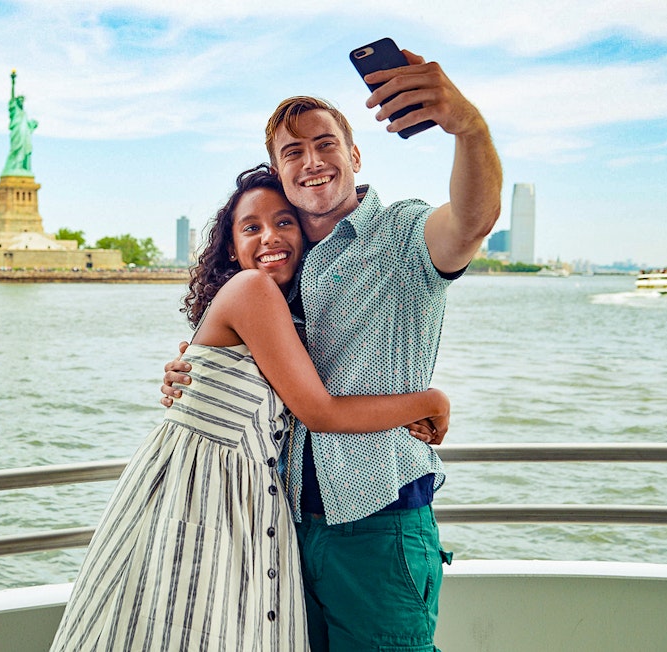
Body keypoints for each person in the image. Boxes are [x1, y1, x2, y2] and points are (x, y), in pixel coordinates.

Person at [161, 51, 502, 651]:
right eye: (293, 153)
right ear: (278, 171)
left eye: (326, 145)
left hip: (379, 518)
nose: (312, 162)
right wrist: (191, 377)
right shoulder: (281, 278)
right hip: (284, 526)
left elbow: (473, 219)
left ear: (355, 156)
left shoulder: (400, 236)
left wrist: (466, 126)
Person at [50, 165, 451, 652]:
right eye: (251, 228)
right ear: (231, 246)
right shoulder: (252, 290)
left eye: (284, 222)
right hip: (202, 500)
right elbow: (319, 411)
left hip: (236, 502)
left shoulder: (289, 312)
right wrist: (431, 400)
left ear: (305, 234)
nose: (269, 238)